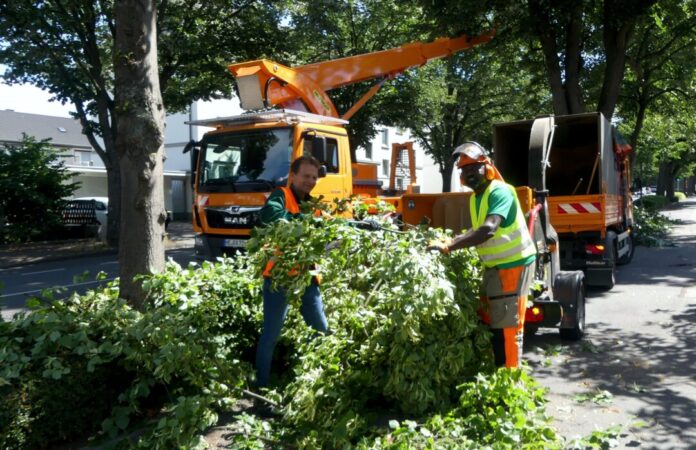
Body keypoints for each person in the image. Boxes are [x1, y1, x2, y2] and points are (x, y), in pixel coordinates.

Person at [429, 142, 536, 368]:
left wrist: (451, 247)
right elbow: (476, 229)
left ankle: (510, 382)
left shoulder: (500, 191)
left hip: (514, 266)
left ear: (486, 168)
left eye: (473, 168)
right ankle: (497, 369)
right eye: (464, 170)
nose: (468, 174)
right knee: (491, 320)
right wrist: (450, 240)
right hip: (495, 267)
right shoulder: (476, 198)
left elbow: (488, 229)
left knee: (508, 327)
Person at [255, 155, 329, 388]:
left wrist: (364, 224)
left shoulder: (314, 205)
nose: (310, 180)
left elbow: (333, 226)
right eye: (306, 176)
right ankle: (262, 388)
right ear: (293, 176)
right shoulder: (281, 196)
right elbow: (269, 217)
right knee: (271, 335)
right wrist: (304, 222)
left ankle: (315, 383)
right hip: (280, 277)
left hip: (307, 277)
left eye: (314, 177)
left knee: (321, 330)